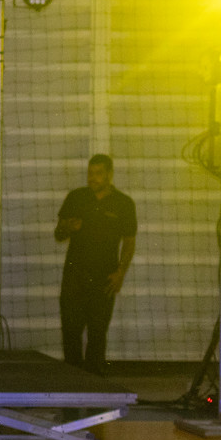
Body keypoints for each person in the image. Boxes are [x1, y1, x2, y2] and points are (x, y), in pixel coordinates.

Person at [55, 154, 136, 374]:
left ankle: (95, 386)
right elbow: (59, 234)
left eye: (98, 173)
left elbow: (129, 242)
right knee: (71, 333)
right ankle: (72, 384)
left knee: (98, 334)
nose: (93, 178)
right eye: (90, 173)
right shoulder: (76, 197)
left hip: (104, 279)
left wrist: (120, 273)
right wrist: (68, 227)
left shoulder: (124, 204)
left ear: (109, 174)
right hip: (74, 277)